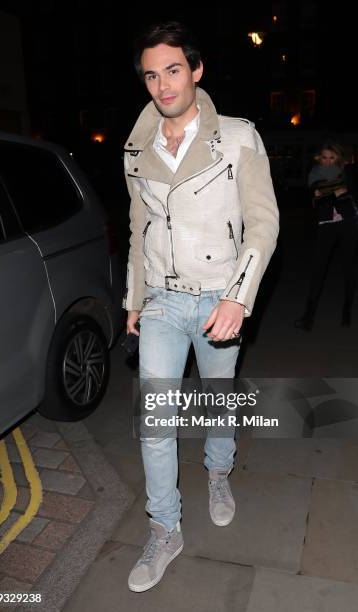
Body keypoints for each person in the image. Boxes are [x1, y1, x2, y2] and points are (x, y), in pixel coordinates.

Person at [123, 21, 279, 592]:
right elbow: (139, 227)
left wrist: (239, 295)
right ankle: (165, 527)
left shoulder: (238, 137)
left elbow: (265, 221)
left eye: (172, 70)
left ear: (196, 71)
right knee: (156, 422)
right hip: (163, 300)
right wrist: (134, 300)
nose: (163, 85)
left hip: (219, 297)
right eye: (151, 75)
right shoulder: (136, 147)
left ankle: (218, 472)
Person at [295, 141, 358, 331]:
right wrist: (334, 192)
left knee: (349, 269)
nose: (328, 161)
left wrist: (332, 193)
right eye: (324, 157)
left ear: (338, 158)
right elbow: (315, 198)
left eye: (332, 158)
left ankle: (347, 311)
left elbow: (355, 192)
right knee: (318, 271)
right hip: (325, 226)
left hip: (347, 224)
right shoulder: (313, 174)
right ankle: (308, 317)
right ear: (318, 158)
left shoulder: (346, 172)